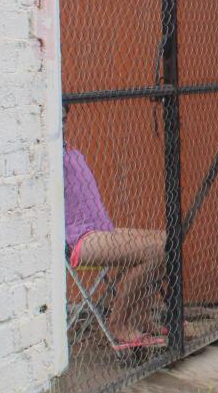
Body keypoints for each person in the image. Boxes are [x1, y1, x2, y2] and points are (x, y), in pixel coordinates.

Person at [64, 145, 167, 349]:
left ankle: (140, 316)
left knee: (166, 241)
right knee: (155, 250)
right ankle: (118, 323)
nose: (62, 124)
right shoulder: (47, 156)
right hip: (78, 239)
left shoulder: (72, 152)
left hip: (101, 231)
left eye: (65, 118)